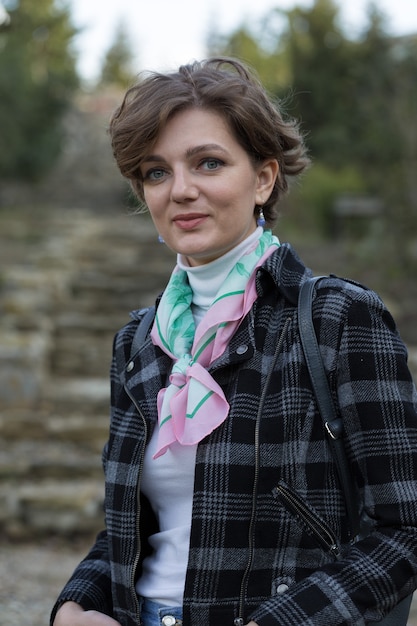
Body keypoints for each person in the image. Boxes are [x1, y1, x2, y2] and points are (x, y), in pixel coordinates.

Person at [51, 57, 417, 626]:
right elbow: (132, 528)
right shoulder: (139, 344)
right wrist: (76, 605)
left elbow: (404, 530)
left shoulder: (340, 320)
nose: (182, 190)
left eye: (209, 163)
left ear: (264, 178)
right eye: (156, 172)